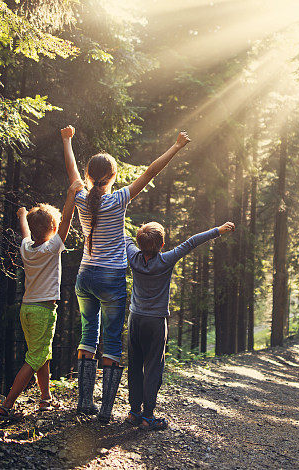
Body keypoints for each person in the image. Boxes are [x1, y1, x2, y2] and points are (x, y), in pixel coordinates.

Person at [61, 125, 191, 423]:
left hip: (85, 276)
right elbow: (149, 172)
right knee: (112, 341)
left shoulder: (80, 196)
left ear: (89, 175)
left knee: (87, 335)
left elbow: (71, 174)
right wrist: (176, 147)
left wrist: (67, 141)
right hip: (111, 278)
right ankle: (105, 411)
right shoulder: (119, 199)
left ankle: (84, 402)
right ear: (114, 176)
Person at [124, 220, 235, 430]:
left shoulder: (132, 255)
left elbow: (123, 235)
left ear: (139, 243)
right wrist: (218, 231)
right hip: (156, 322)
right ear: (162, 244)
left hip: (135, 319)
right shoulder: (166, 259)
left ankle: (133, 413)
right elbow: (191, 242)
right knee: (153, 367)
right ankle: (148, 416)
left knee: (135, 366)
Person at [0, 178, 84, 419]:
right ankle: (7, 404)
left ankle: (46, 398)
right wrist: (71, 195)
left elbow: (26, 231)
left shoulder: (26, 246)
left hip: (27, 309)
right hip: (43, 311)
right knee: (35, 356)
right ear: (54, 229)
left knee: (41, 352)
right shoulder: (52, 247)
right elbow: (66, 220)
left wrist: (22, 215)